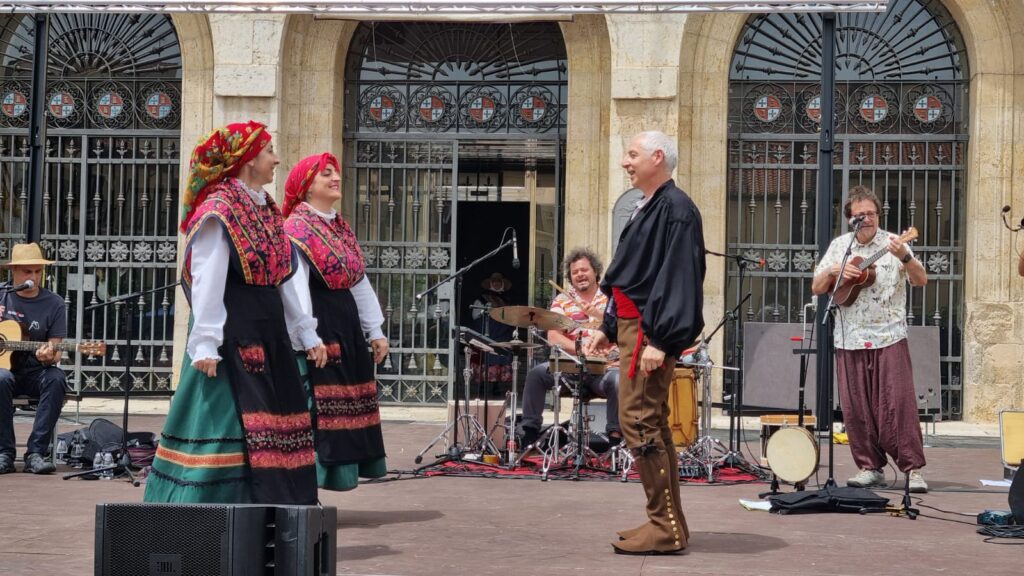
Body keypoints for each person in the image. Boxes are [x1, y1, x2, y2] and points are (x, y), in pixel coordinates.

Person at [144, 121, 326, 505]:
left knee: (275, 422)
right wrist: (207, 342)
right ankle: (206, 515)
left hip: (268, 328)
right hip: (234, 328)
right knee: (229, 417)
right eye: (268, 152)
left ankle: (276, 511)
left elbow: (282, 276)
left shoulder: (265, 209)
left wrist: (304, 331)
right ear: (247, 160)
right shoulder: (220, 208)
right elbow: (208, 275)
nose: (276, 159)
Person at [587, 131, 705, 555]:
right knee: (649, 421)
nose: (625, 161)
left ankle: (665, 526)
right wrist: (609, 324)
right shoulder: (652, 206)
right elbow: (632, 274)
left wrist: (661, 339)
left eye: (632, 154)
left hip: (649, 332)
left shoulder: (676, 209)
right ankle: (669, 522)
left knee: (638, 421)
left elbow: (678, 278)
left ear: (658, 157)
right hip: (637, 327)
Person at [811, 185, 929, 493]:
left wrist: (905, 256)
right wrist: (836, 270)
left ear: (878, 215)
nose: (866, 219)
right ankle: (869, 466)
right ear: (849, 218)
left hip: (889, 336)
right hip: (849, 339)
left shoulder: (893, 243)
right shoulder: (840, 246)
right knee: (856, 408)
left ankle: (913, 469)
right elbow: (817, 286)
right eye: (859, 215)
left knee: (897, 404)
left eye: (871, 214)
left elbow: (921, 279)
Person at [282, 152, 388, 491]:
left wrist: (375, 330)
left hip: (347, 326)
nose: (335, 178)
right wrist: (307, 336)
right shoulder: (296, 229)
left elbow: (358, 280)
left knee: (351, 403)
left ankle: (341, 477)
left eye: (336, 172)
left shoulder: (339, 227)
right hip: (320, 323)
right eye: (325, 174)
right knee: (320, 408)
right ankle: (309, 484)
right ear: (306, 186)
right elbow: (295, 286)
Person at [518, 247, 620, 448]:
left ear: (595, 271)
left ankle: (616, 438)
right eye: (575, 272)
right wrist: (580, 349)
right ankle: (529, 433)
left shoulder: (611, 298)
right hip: (570, 369)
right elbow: (554, 337)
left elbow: (623, 329)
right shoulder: (562, 300)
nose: (580, 274)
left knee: (618, 381)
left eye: (584, 270)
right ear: (570, 277)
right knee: (536, 375)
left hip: (604, 369)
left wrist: (600, 320)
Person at [0, 243, 66, 475]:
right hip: (5, 372)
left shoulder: (54, 303)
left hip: (34, 371)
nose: (34, 277)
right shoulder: (2, 295)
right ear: (14, 271)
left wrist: (48, 356)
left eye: (38, 271)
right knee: (1, 377)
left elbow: (56, 349)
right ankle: (4, 454)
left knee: (56, 378)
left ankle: (35, 454)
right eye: (28, 271)